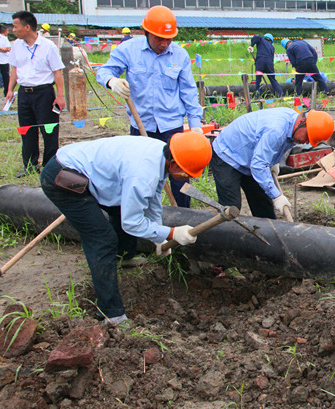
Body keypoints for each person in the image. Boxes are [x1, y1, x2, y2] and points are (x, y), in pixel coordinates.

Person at [40, 131, 213, 327]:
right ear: (174, 163)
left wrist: (158, 235)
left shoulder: (161, 155)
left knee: (121, 210)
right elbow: (131, 222)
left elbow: (153, 198)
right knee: (101, 239)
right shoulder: (143, 173)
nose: (186, 177)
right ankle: (111, 314)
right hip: (63, 177)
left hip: (89, 172)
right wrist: (171, 233)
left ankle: (125, 257)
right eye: (186, 173)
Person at [97, 5, 203, 208]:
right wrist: (112, 81)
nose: (164, 44)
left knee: (179, 176)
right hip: (141, 125)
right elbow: (104, 71)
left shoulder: (179, 55)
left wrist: (195, 124)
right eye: (159, 38)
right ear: (146, 33)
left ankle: (182, 214)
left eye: (168, 39)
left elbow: (188, 91)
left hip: (172, 128)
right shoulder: (129, 50)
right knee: (141, 175)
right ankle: (143, 215)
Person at [210, 108, 334, 219]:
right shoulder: (276, 129)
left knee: (262, 202)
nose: (306, 142)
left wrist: (274, 162)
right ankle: (223, 234)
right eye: (307, 137)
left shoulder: (293, 124)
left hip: (250, 156)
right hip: (227, 154)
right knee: (231, 207)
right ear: (301, 123)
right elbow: (258, 165)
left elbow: (276, 147)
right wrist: (277, 196)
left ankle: (267, 235)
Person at [6, 11, 66, 178]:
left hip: (44, 93)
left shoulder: (48, 46)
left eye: (15, 26)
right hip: (24, 93)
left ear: (27, 27)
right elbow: (14, 69)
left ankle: (49, 166)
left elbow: (57, 72)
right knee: (27, 131)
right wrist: (10, 90)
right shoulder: (16, 45)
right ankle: (30, 166)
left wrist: (60, 96)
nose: (13, 30)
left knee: (49, 131)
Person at [248, 33, 283, 98]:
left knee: (258, 80)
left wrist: (251, 46)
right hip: (269, 64)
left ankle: (258, 96)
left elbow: (256, 37)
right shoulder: (272, 47)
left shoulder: (261, 40)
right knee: (273, 80)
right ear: (271, 41)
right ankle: (281, 94)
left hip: (260, 62)